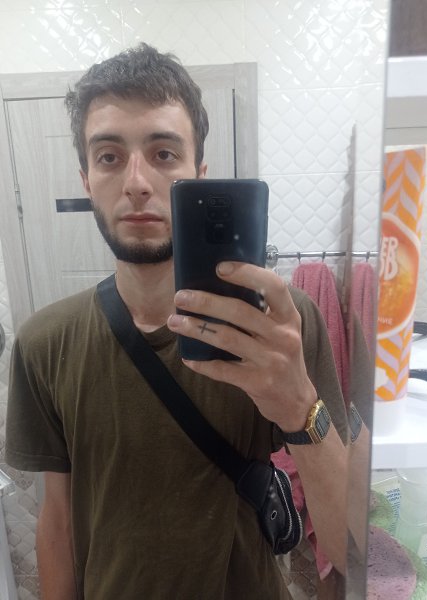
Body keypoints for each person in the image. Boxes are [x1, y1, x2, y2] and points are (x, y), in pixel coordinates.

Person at [5, 43, 349, 600]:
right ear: (87, 180)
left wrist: (298, 406)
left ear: (198, 175)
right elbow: (59, 520)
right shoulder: (44, 343)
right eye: (109, 157)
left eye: (164, 153)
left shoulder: (278, 327)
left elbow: (347, 545)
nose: (137, 182)